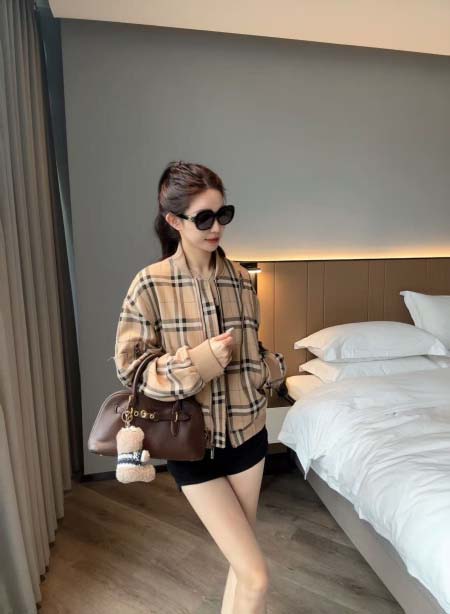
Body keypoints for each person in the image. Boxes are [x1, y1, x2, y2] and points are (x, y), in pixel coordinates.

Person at [114, 160, 286, 614]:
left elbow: (254, 348)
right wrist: (198, 363)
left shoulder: (243, 280)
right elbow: (132, 369)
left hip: (249, 436)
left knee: (241, 568)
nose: (216, 228)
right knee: (256, 575)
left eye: (223, 214)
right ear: (174, 221)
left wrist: (269, 370)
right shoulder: (150, 284)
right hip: (192, 445)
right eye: (203, 218)